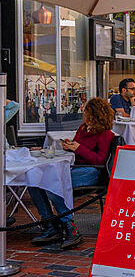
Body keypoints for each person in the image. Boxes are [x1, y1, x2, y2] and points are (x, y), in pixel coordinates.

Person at [29, 98, 116, 250]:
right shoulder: (83, 129)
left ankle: (69, 226)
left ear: (95, 115)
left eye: (87, 113)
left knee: (53, 181)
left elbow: (100, 160)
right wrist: (69, 146)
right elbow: (77, 146)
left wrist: (78, 148)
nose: (85, 116)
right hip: (76, 167)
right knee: (35, 181)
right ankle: (49, 224)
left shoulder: (105, 134)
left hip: (93, 171)